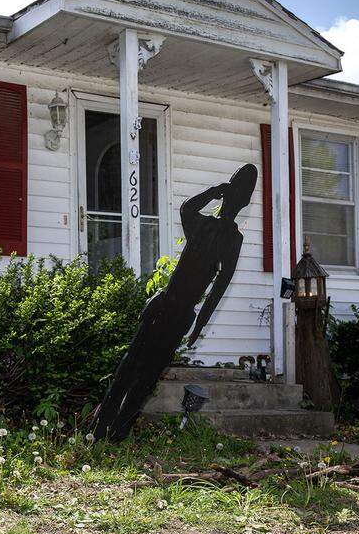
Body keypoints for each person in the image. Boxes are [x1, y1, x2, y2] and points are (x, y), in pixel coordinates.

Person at [90, 164, 257, 441]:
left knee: (147, 377)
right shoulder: (202, 224)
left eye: (240, 193)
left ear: (245, 201)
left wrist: (198, 327)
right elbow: (186, 209)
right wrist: (212, 192)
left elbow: (218, 289)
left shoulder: (233, 240)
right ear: (227, 192)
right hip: (163, 304)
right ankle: (97, 431)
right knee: (128, 368)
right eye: (232, 189)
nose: (234, 198)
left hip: (180, 315)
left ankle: (118, 434)